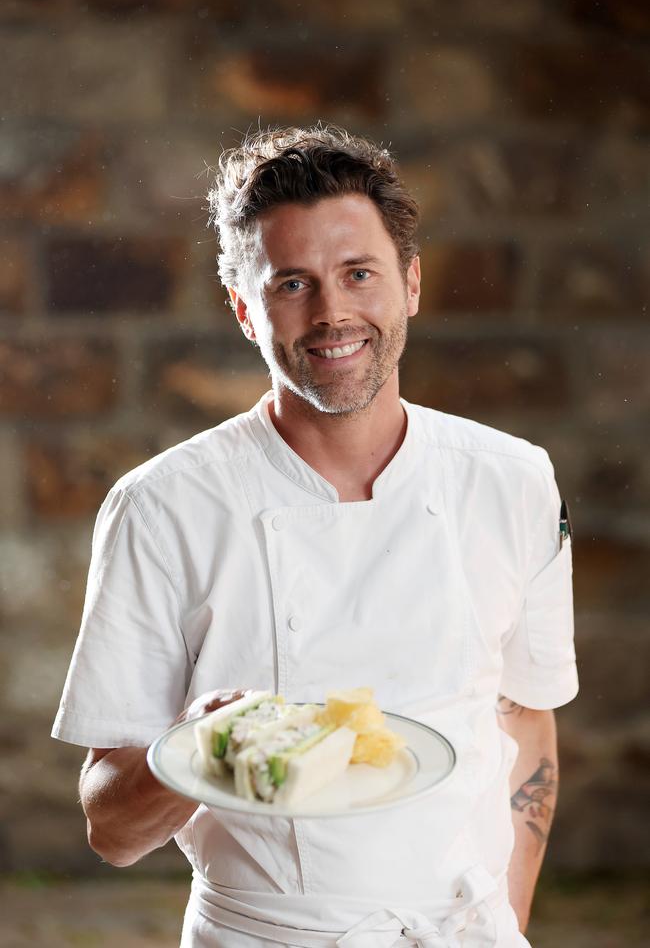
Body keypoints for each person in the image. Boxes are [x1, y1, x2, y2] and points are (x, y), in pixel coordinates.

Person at [52, 125, 578, 948]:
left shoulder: (512, 479)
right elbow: (112, 833)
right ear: (243, 311)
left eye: (358, 273)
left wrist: (508, 921)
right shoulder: (161, 506)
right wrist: (200, 749)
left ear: (410, 283)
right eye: (291, 283)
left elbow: (527, 722)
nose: (332, 313)